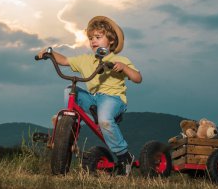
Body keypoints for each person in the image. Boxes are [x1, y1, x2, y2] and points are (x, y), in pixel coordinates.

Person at [38, 16, 142, 176]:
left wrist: (124, 68)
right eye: (91, 38)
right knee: (69, 90)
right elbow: (65, 60)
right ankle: (69, 128)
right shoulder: (86, 60)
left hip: (113, 99)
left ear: (111, 41)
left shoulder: (119, 60)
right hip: (93, 99)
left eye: (98, 37)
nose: (93, 41)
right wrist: (50, 52)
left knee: (105, 120)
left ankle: (124, 156)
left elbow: (137, 78)